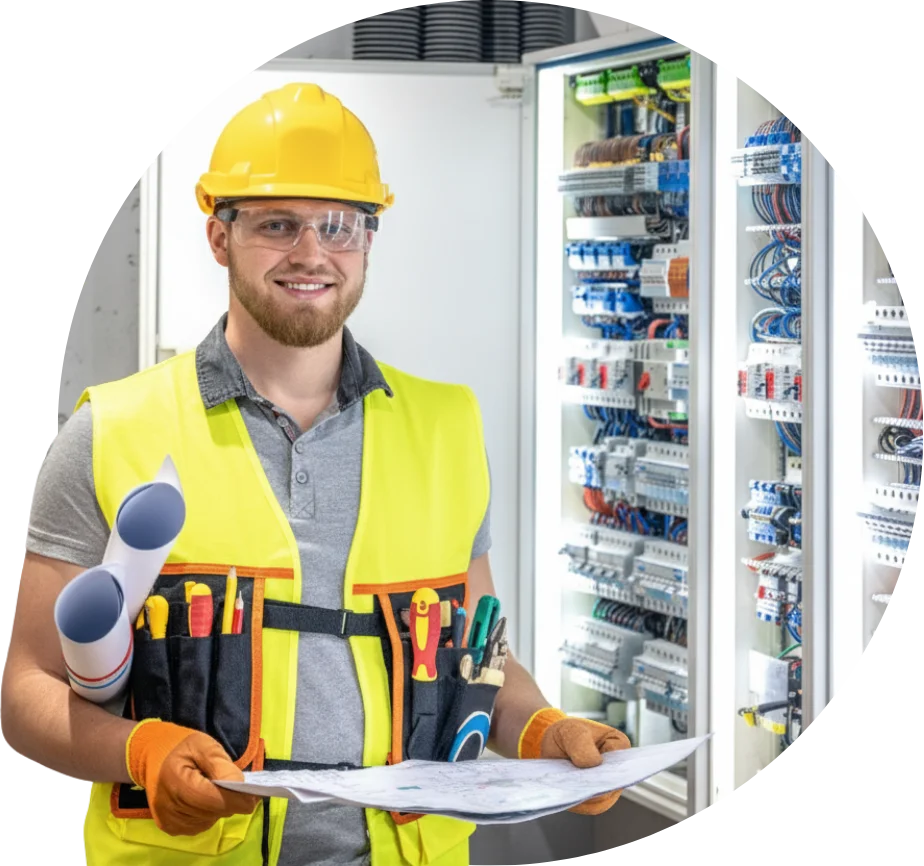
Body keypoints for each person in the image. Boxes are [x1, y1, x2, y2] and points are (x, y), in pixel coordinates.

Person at [1, 82, 630, 866]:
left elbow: (476, 660)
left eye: (339, 226)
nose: (311, 253)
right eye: (277, 224)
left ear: (369, 238)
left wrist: (542, 728)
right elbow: (26, 695)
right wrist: (140, 753)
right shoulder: (114, 431)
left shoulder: (446, 428)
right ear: (218, 235)